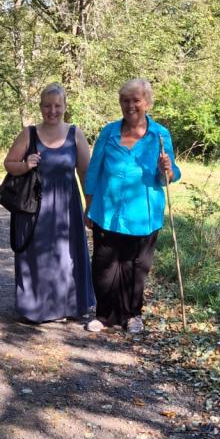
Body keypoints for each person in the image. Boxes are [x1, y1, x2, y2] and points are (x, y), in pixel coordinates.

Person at [83, 78, 180, 334]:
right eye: (125, 100)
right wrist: (88, 205)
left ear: (147, 103)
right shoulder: (109, 132)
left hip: (143, 215)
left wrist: (166, 170)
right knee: (104, 265)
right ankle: (104, 316)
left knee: (136, 267)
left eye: (136, 100)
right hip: (107, 210)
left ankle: (132, 315)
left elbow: (170, 176)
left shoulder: (160, 135)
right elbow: (94, 170)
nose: (130, 105)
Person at [2, 83, 95, 322]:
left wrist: (90, 205)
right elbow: (9, 164)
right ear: (40, 106)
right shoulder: (29, 133)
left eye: (57, 106)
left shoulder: (75, 134)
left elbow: (86, 173)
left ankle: (68, 306)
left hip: (67, 207)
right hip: (34, 206)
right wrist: (26, 165)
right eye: (47, 106)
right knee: (36, 256)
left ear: (65, 106)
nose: (52, 111)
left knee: (66, 256)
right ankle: (36, 309)